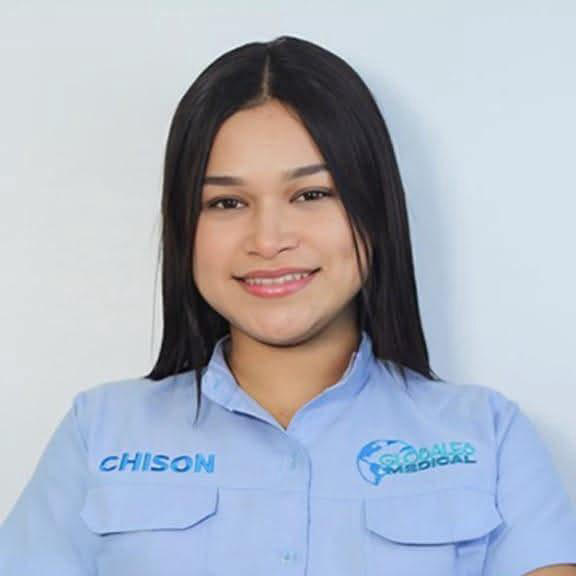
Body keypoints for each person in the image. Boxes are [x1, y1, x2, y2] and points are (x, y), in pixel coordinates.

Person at [1, 35, 575, 576]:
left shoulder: (489, 437)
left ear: (374, 211)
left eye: (311, 194)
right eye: (226, 202)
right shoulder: (99, 432)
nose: (268, 239)